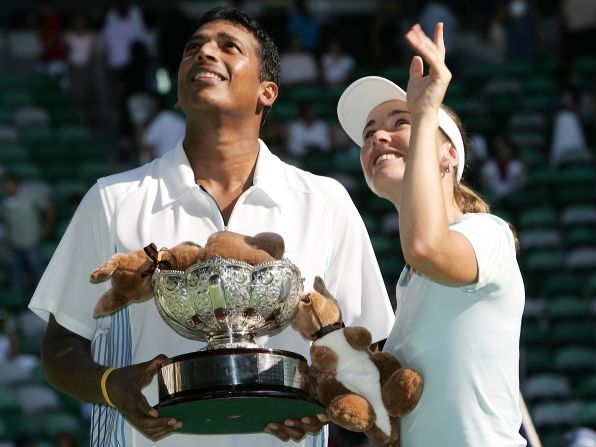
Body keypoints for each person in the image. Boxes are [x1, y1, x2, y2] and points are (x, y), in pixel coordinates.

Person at [29, 7, 394, 447]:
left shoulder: (326, 201)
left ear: (267, 92)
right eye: (192, 48)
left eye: (228, 47)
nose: (204, 53)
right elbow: (59, 351)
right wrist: (111, 386)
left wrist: (318, 398)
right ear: (179, 94)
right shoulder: (113, 198)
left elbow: (368, 347)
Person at [337, 22, 526, 446]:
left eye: (398, 122)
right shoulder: (406, 283)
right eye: (368, 134)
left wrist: (424, 110)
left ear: (449, 153)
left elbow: (425, 245)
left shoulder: (486, 233)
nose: (377, 136)